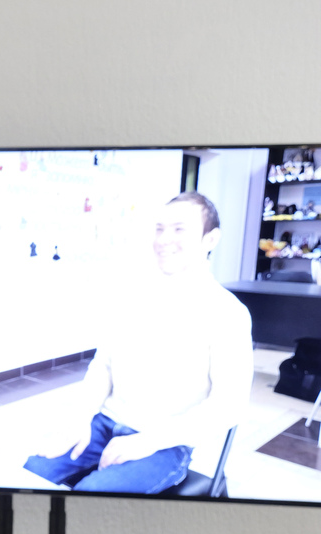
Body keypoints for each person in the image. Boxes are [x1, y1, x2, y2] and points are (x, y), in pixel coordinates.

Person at [24, 191, 253, 493]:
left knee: (89, 501)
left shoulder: (228, 313)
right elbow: (104, 366)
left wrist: (148, 440)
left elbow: (228, 405)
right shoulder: (132, 296)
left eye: (179, 229)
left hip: (164, 444)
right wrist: (80, 417)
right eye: (159, 229)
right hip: (103, 425)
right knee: (29, 476)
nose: (164, 239)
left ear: (210, 239)